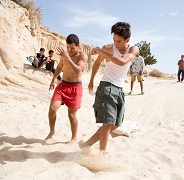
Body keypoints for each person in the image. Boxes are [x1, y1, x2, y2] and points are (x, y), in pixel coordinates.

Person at [79, 22, 139, 155]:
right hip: (106, 86)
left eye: (118, 41)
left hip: (119, 89)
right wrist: (91, 80)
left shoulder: (133, 49)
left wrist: (99, 51)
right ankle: (102, 154)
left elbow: (122, 61)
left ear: (127, 40)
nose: (115, 43)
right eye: (113, 39)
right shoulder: (108, 48)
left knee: (116, 124)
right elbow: (97, 63)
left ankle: (87, 144)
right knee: (107, 124)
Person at [45, 34, 88, 144]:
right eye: (68, 47)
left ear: (79, 46)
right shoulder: (66, 54)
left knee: (72, 115)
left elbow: (78, 70)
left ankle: (73, 138)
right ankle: (52, 131)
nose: (69, 50)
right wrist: (53, 79)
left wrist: (67, 57)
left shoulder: (82, 56)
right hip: (63, 85)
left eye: (72, 48)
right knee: (52, 109)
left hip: (75, 87)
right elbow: (59, 67)